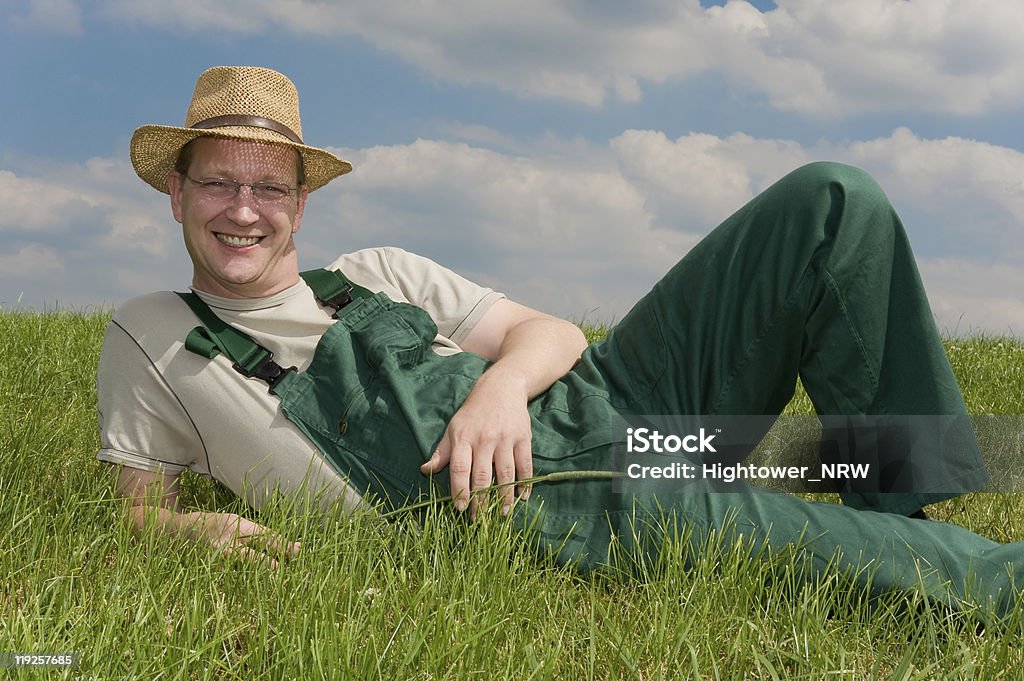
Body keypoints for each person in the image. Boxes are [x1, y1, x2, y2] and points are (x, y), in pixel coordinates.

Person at [100, 65, 1017, 619]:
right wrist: (187, 528)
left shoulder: (376, 268)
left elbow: (551, 333)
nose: (245, 210)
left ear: (302, 201)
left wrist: (500, 387)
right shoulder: (154, 335)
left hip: (615, 399)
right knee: (807, 539)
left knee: (831, 202)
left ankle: (902, 498)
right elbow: (140, 507)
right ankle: (947, 561)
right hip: (549, 498)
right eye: (219, 183)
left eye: (269, 186)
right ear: (175, 193)